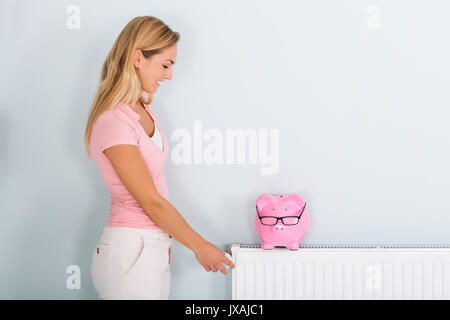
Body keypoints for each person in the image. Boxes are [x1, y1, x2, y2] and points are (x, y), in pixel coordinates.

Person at [84, 16, 235, 300]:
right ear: (138, 58)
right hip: (130, 249)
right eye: (165, 65)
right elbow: (151, 202)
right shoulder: (114, 122)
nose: (169, 76)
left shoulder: (141, 110)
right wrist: (200, 246)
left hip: (149, 246)